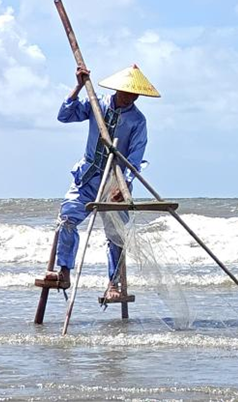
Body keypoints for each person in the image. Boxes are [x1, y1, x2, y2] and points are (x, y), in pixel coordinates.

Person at [43, 63, 157, 300]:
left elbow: (134, 159)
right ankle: (64, 272)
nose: (131, 98)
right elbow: (64, 115)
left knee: (116, 235)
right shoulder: (97, 104)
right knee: (66, 220)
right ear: (117, 90)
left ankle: (113, 285)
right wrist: (77, 87)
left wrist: (122, 187)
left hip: (115, 182)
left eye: (135, 94)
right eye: (127, 92)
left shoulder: (138, 121)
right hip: (87, 177)